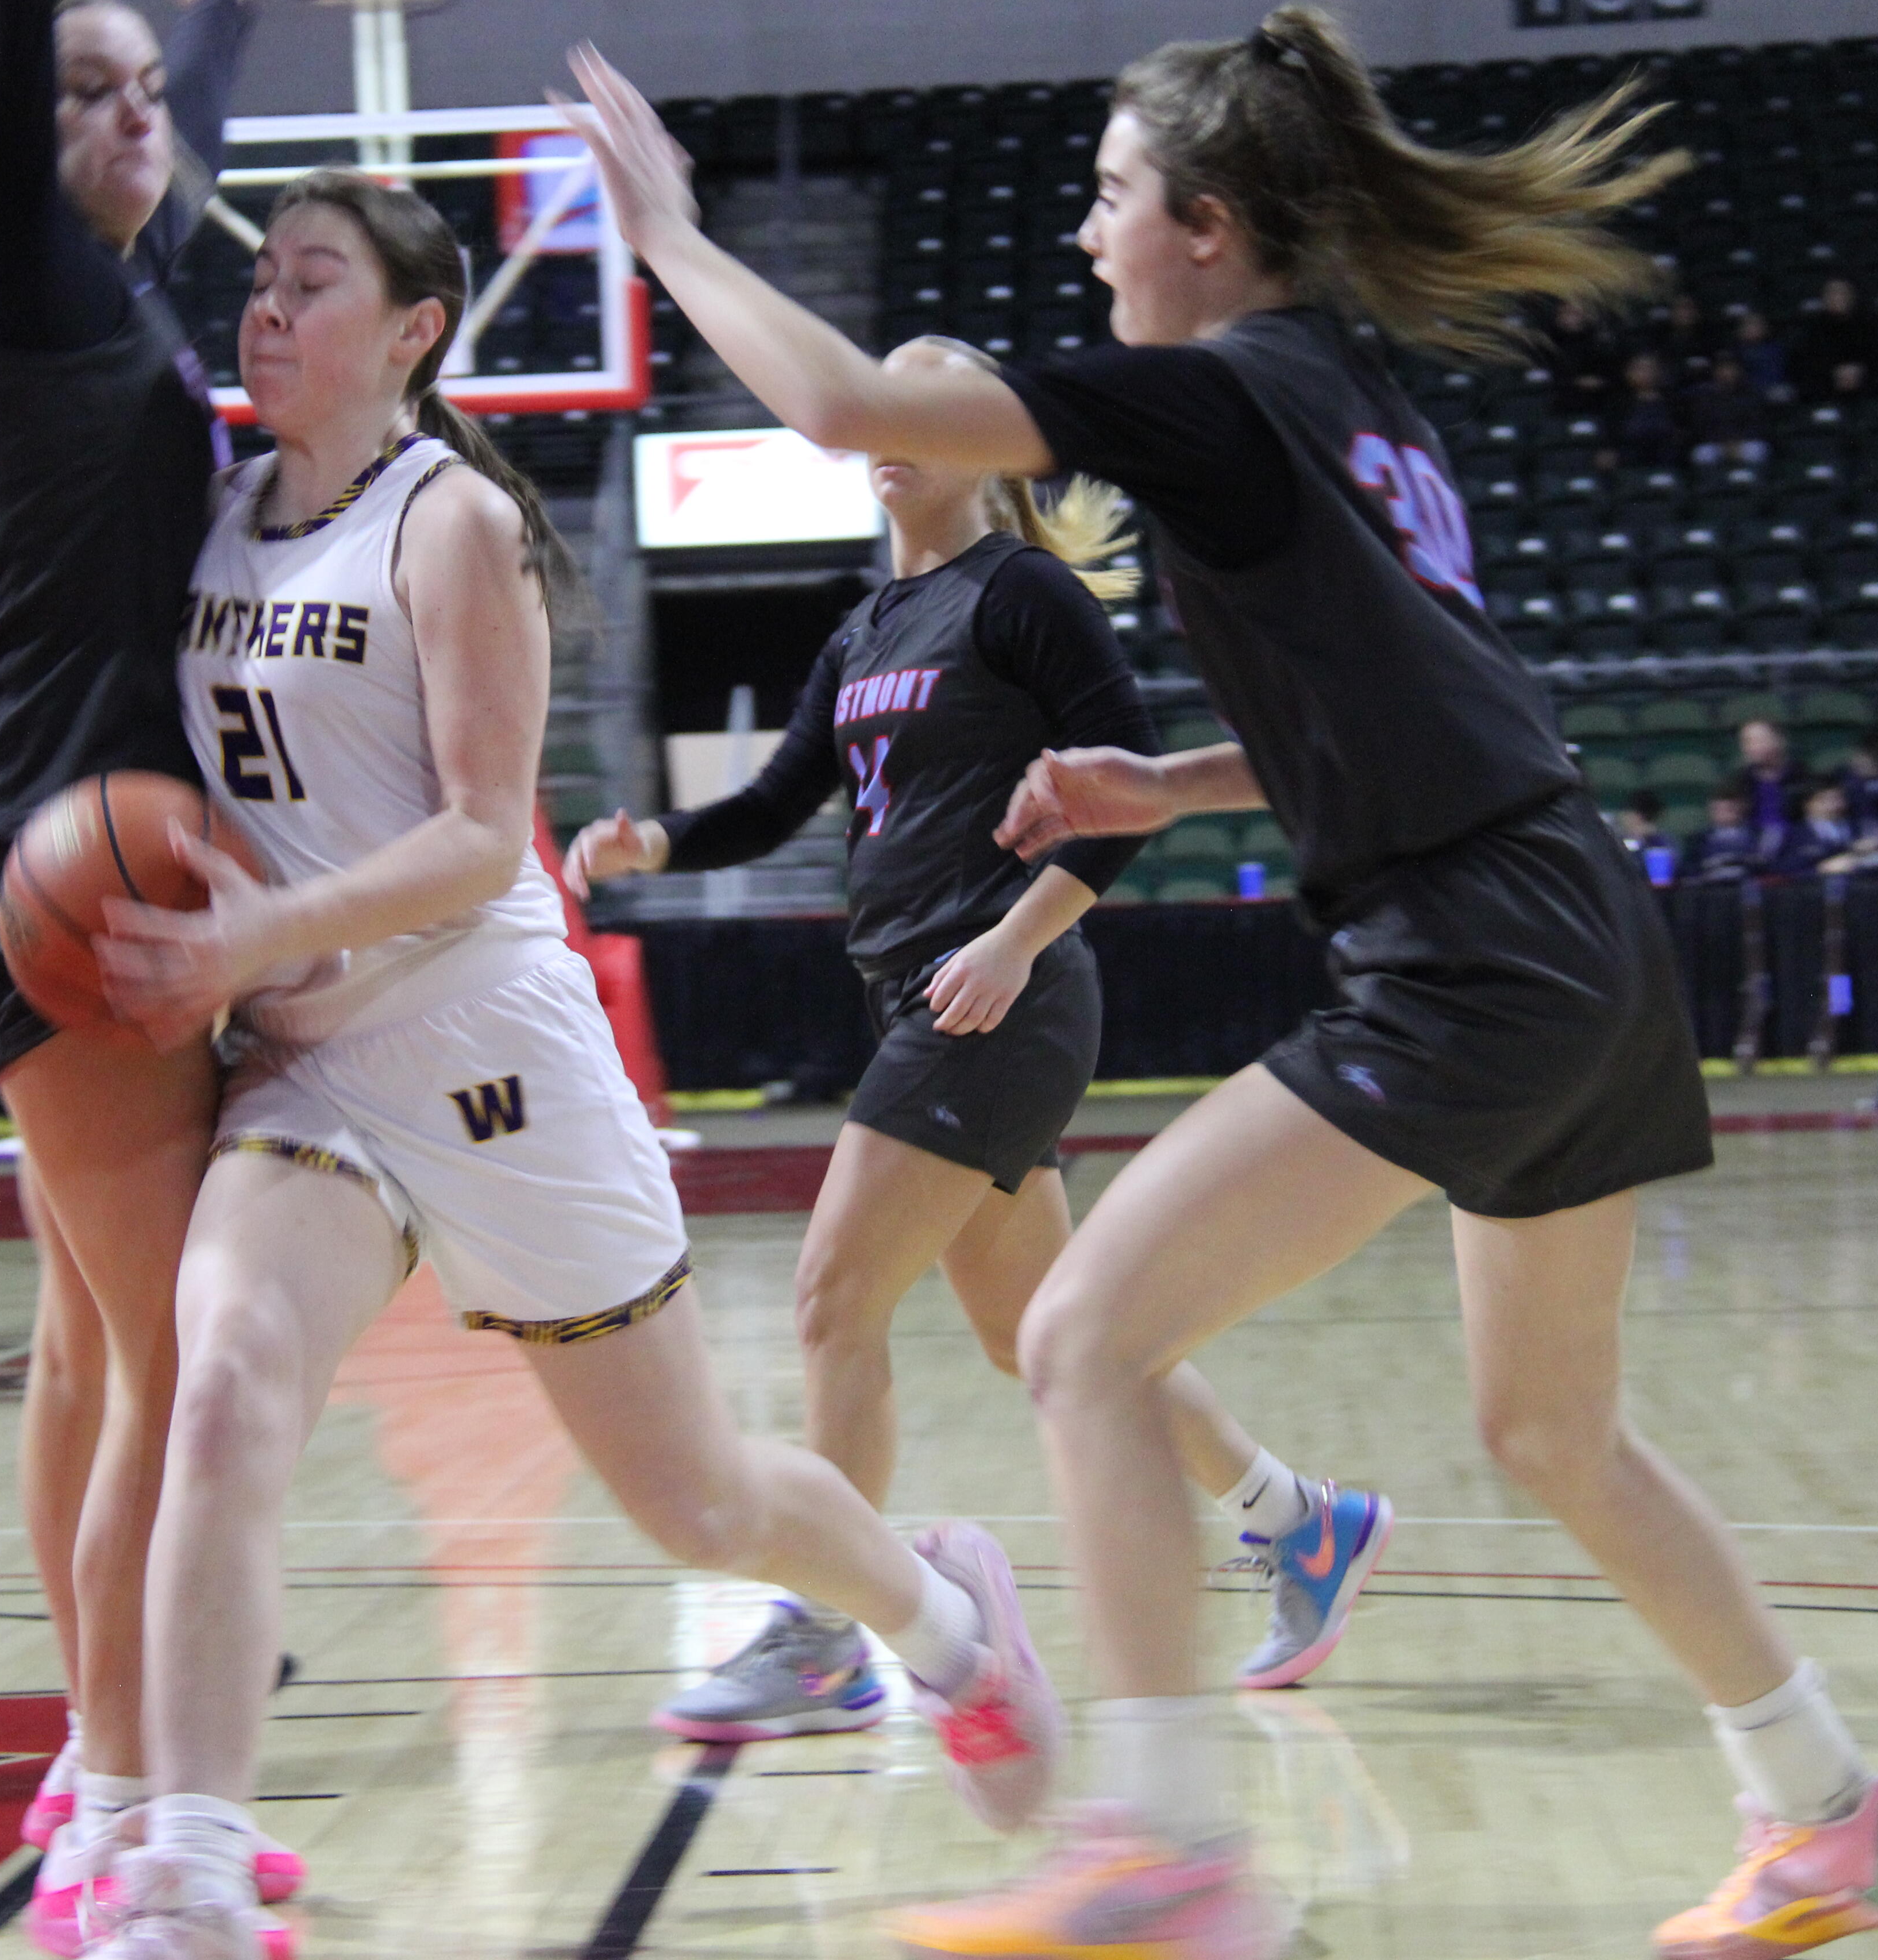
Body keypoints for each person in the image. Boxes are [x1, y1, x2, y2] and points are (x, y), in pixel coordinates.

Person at [564, 10, 1878, 1959]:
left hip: (1469, 949)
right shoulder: (1354, 396)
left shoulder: (1213, 393)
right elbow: (1437, 703)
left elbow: (849, 406)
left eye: (1111, 194)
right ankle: (1834, 1810)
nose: (1087, 234)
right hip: (1575, 922)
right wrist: (1172, 784)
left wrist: (666, 234)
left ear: (1206, 227)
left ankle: (1159, 1837)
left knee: (1080, 1338)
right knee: (1551, 1433)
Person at [89, 168, 1066, 1960]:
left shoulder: (454, 519)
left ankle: (940, 1620)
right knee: (222, 1393)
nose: (268, 310)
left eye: (313, 283)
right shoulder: (215, 515)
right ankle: (194, 1876)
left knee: (697, 1504)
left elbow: (484, 841)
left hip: (487, 1046)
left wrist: (251, 929)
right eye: (262, 281)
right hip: (304, 1065)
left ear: (414, 330)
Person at [569, 339, 1385, 1743]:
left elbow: (1126, 785)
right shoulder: (865, 628)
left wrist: (1014, 940)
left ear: (987, 445)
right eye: (878, 398)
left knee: (833, 1300)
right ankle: (1298, 1519)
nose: (891, 423)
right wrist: (660, 840)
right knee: (1044, 1338)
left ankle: (826, 1631)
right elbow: (775, 803)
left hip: (1001, 996)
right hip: (919, 996)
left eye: (926, 400)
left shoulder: (1022, 592)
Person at [0, 0, 273, 1944]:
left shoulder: (107, 277)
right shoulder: (10, 263)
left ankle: (87, 1751)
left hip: (29, 839)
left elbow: (184, 89)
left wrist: (223, 10)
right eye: (83, 91)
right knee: (170, 1363)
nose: (137, 118)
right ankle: (123, 1829)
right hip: (70, 867)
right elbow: (7, 32)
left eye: (143, 93)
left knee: (85, 1349)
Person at [1792, 276, 1878, 404]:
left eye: (1842, 293)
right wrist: (1833, 373)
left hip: (1867, 390)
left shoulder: (1870, 327)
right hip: (1825, 391)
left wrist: (1859, 372)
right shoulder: (1812, 330)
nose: (1837, 298)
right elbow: (1806, 364)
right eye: (1832, 293)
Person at [1773, 781, 1878, 876]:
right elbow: (1782, 870)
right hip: (1812, 889)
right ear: (1807, 804)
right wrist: (1821, 870)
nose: (1834, 805)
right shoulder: (1793, 834)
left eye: (1838, 798)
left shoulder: (1860, 827)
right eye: (1824, 800)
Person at [1682, 352, 1769, 467]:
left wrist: (1737, 443)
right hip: (1717, 444)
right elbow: (1702, 426)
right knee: (1702, 454)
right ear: (1715, 372)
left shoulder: (1750, 394)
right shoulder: (1705, 395)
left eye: (1731, 369)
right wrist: (1724, 444)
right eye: (1723, 369)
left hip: (1743, 443)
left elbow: (1756, 423)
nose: (1727, 373)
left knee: (1757, 451)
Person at [1732, 717, 1805, 852]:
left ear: (1780, 740)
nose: (1753, 747)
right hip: (1750, 844)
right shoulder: (1739, 781)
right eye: (1747, 742)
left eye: (1760, 740)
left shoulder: (1802, 777)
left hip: (1795, 843)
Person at [1611, 348, 1686, 468]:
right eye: (1639, 369)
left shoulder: (1673, 402)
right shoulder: (1619, 403)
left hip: (1667, 457)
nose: (1645, 374)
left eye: (1649, 369)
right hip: (1630, 456)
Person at [1685, 785, 1764, 883]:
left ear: (1741, 809)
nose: (1723, 814)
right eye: (1718, 810)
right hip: (1710, 886)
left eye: (1729, 809)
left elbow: (1765, 865)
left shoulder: (1758, 836)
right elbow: (1690, 869)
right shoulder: (1698, 840)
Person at [1611, 785, 1675, 881]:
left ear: (1639, 816)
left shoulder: (1664, 842)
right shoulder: (1617, 839)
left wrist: (1649, 839)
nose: (1624, 817)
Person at [1729, 307, 1791, 400]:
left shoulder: (1775, 350)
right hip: (1743, 390)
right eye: (1748, 325)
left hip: (1770, 389)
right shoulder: (1735, 350)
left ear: (1765, 328)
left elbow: (1775, 375)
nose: (1751, 329)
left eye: (1755, 325)